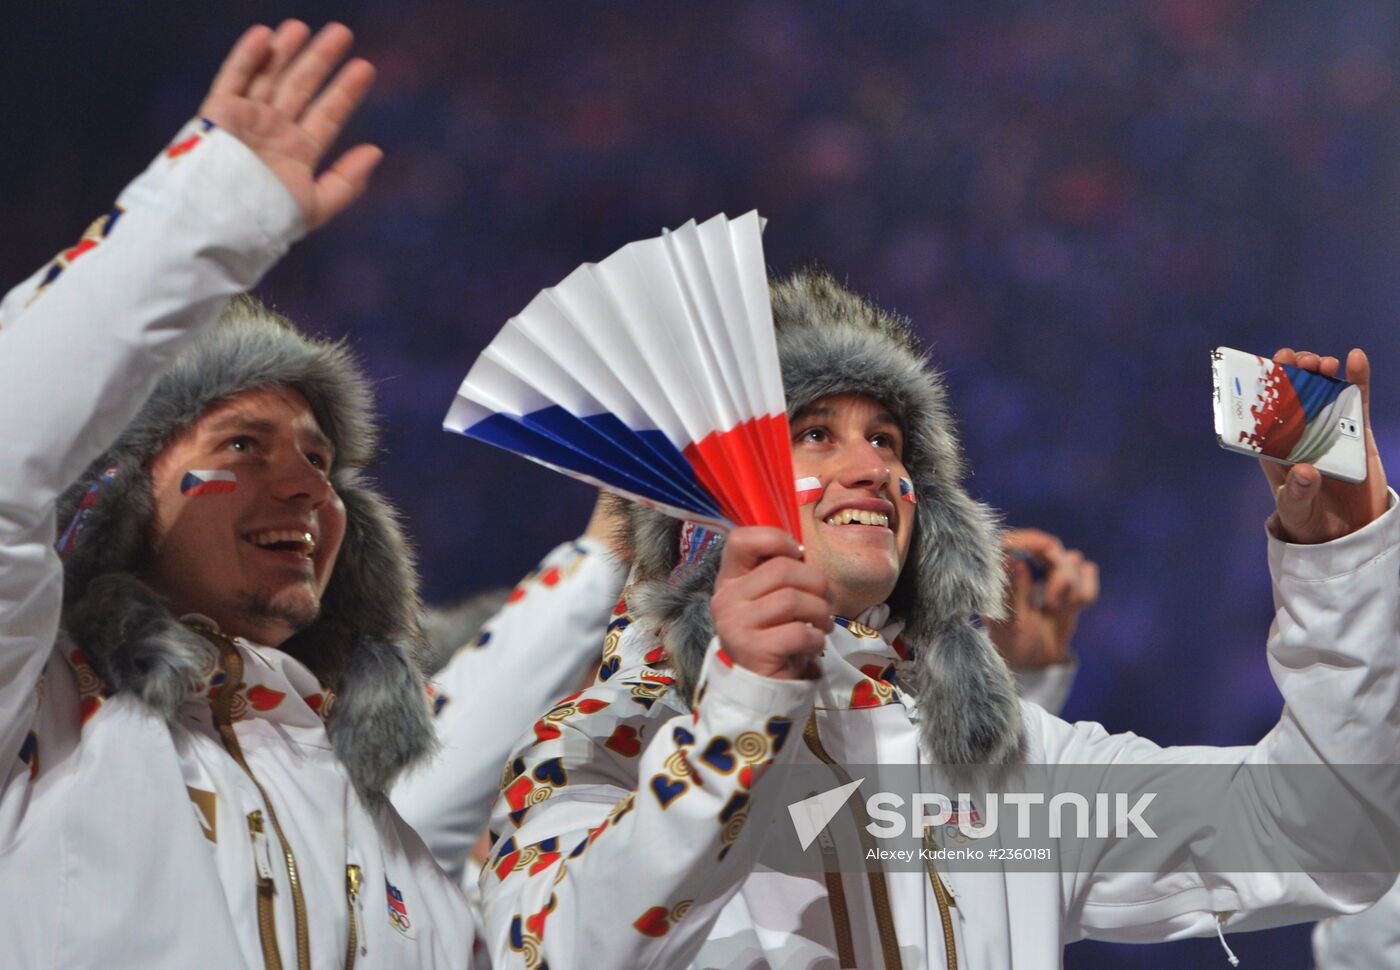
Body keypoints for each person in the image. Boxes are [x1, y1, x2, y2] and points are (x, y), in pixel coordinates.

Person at [476, 270, 1399, 969]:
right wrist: (744, 712)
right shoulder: (602, 740)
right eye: (814, 432)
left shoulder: (995, 770)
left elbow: (1331, 836)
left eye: (886, 438)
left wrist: (1341, 568)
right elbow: (556, 951)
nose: (872, 466)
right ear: (700, 500)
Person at [0, 22, 477, 968]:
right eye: (243, 447)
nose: (306, 486)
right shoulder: (38, 713)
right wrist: (205, 216)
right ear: (124, 496)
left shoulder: (375, 822)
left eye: (320, 458)